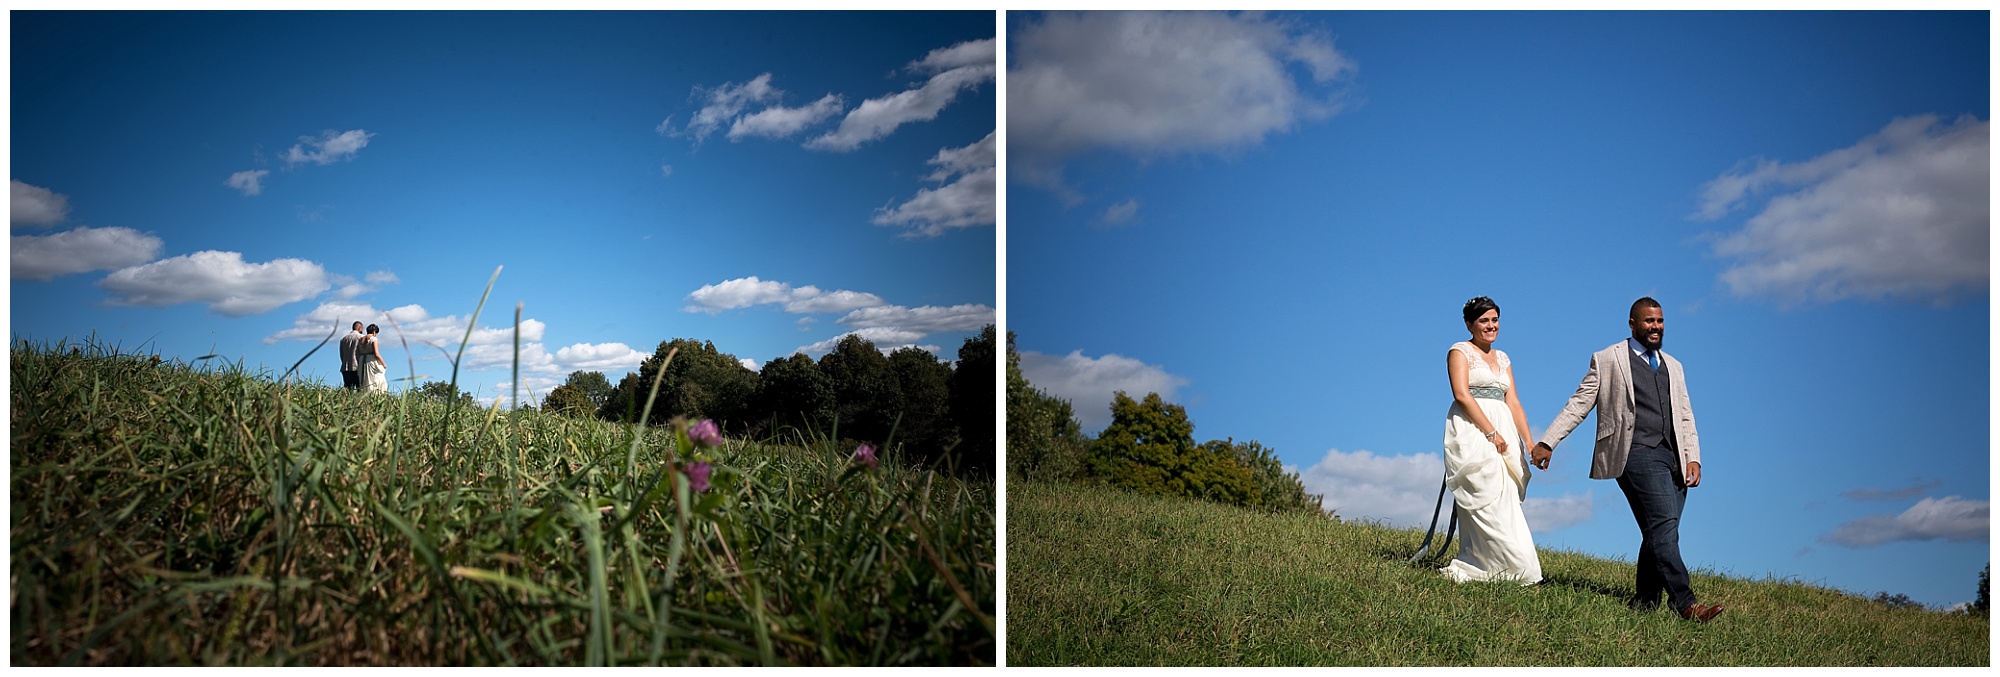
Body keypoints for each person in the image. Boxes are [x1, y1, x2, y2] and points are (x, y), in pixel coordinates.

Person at [1530, 297, 1723, 622]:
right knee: (1663, 524)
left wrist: (1694, 457)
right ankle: (1686, 603)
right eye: (1649, 321)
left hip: (1672, 457)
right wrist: (1549, 440)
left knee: (1659, 530)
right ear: (1632, 324)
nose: (1656, 327)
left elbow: (1685, 415)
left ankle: (1645, 602)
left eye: (1660, 321)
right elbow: (1580, 403)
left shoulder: (1674, 365)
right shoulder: (1608, 359)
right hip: (1633, 452)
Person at [1437, 296, 1543, 585]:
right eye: (1484, 320)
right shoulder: (1460, 351)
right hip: (1473, 428)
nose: (1491, 325)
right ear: (1470, 324)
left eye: (1494, 320)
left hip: (1505, 430)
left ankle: (1496, 567)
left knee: (1505, 498)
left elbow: (1515, 403)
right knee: (1485, 493)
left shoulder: (1504, 358)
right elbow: (1461, 394)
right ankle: (1520, 570)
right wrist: (1490, 432)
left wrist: (1530, 443)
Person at [359, 323, 390, 393]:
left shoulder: (361, 339)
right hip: (371, 359)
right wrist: (383, 364)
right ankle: (375, 393)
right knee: (376, 377)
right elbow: (376, 353)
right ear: (374, 332)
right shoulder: (373, 339)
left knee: (364, 379)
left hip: (362, 359)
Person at [338, 321, 365, 390]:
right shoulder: (361, 337)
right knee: (360, 389)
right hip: (357, 366)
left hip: (345, 367)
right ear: (360, 328)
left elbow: (341, 354)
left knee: (348, 389)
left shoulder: (343, 339)